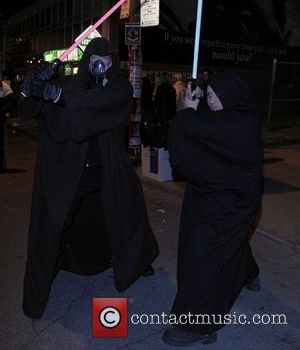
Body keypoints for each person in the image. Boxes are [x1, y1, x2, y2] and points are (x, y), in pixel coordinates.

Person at [19, 37, 159, 319]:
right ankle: (40, 290)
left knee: (129, 213)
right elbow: (31, 113)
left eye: (106, 60)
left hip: (109, 169)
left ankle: (137, 261)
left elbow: (101, 103)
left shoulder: (118, 88)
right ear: (86, 61)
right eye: (95, 59)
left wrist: (58, 95)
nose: (100, 65)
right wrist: (31, 89)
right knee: (57, 222)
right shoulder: (73, 85)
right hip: (76, 172)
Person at [163, 72, 263, 346]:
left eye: (217, 96)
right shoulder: (214, 119)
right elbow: (190, 145)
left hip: (234, 201)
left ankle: (197, 325)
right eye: (208, 95)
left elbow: (194, 130)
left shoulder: (241, 124)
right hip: (206, 192)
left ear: (233, 98)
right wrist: (193, 111)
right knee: (227, 244)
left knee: (204, 252)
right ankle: (248, 272)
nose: (212, 101)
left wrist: (186, 112)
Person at [0, 80, 16, 172]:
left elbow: (12, 100)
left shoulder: (5, 87)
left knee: (1, 142)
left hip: (1, 120)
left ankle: (1, 165)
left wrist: (2, 111)